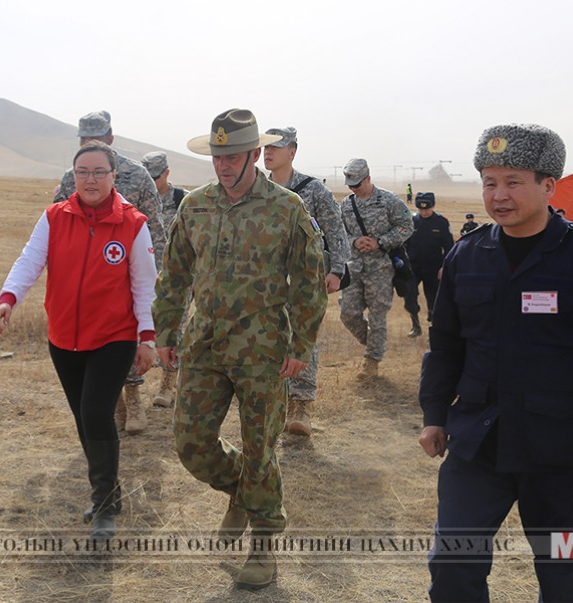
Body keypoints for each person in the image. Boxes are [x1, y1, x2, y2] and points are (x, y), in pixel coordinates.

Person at [419, 123, 573, 602]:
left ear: (549, 185)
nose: (498, 195)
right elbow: (445, 345)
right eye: (489, 182)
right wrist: (434, 414)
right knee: (453, 566)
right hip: (479, 445)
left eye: (513, 182)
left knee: (563, 579)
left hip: (562, 451)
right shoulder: (468, 254)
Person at [153, 108, 327, 590]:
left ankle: (264, 545)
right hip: (205, 345)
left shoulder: (286, 207)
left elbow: (309, 280)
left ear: (253, 154)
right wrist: (166, 331)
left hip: (263, 351)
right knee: (191, 444)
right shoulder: (196, 206)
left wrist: (301, 343)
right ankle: (242, 492)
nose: (223, 165)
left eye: (232, 156)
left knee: (260, 449)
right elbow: (175, 274)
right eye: (217, 156)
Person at [0, 141, 158, 541]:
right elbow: (30, 260)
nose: (90, 179)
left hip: (114, 337)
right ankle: (109, 492)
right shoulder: (54, 216)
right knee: (85, 419)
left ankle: (104, 505)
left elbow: (144, 283)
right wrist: (8, 298)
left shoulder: (133, 224)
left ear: (114, 176)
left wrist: (147, 336)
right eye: (83, 172)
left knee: (97, 414)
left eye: (99, 172)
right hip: (64, 338)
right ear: (73, 176)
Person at [55, 111, 165, 436]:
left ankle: (133, 400)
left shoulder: (138, 175)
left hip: (127, 274)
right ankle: (113, 404)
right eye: (84, 139)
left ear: (111, 139)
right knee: (94, 341)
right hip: (87, 278)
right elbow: (59, 224)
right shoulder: (71, 177)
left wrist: (156, 276)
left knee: (124, 338)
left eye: (97, 138)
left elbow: (154, 229)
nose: (90, 143)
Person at [263, 126, 349, 437]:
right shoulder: (257, 188)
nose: (268, 152)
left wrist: (337, 270)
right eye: (266, 147)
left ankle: (301, 407)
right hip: (266, 280)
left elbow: (336, 230)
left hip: (306, 277)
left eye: (276, 147)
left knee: (303, 337)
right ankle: (276, 401)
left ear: (292, 151)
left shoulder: (313, 190)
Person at [339, 158, 414, 378]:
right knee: (348, 313)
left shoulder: (389, 201)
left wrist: (380, 242)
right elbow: (338, 232)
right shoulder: (346, 205)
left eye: (357, 184)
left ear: (368, 179)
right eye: (350, 185)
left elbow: (407, 226)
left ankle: (372, 361)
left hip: (381, 268)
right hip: (354, 267)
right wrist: (354, 241)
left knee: (377, 316)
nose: (353, 188)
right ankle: (373, 341)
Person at [141, 151, 190, 409]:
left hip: (176, 278)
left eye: (156, 177)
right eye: (148, 177)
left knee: (174, 327)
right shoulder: (138, 200)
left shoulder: (183, 200)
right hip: (143, 276)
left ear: (167, 173)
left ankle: (167, 385)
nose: (152, 182)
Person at [403, 192, 454, 337]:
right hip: (413, 267)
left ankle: (434, 328)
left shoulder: (441, 222)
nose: (424, 212)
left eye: (427, 209)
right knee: (409, 295)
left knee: (434, 300)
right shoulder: (411, 221)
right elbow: (404, 244)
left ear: (433, 206)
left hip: (434, 268)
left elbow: (449, 247)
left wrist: (445, 267)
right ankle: (415, 326)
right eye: (421, 209)